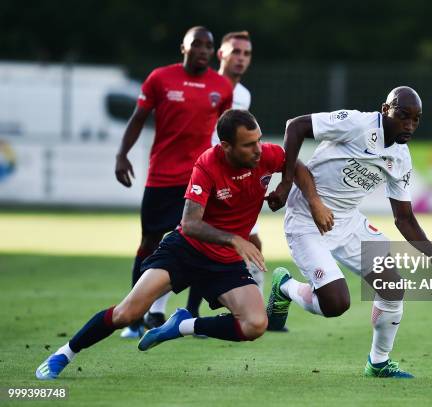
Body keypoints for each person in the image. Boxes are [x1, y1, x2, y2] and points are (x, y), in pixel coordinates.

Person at [36, 109, 316, 381]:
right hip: (185, 250)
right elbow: (191, 223)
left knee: (256, 325)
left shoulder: (266, 154)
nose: (258, 149)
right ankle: (64, 353)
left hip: (225, 260)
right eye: (248, 145)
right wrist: (233, 239)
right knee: (127, 313)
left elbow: (298, 166)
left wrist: (293, 189)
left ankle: (180, 326)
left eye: (258, 140)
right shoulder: (207, 164)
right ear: (226, 146)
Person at [266, 87, 432, 378]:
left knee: (393, 288)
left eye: (416, 119)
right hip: (306, 219)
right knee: (336, 304)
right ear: (385, 109)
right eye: (403, 116)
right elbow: (296, 126)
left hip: (348, 223)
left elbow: (404, 218)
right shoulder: (356, 123)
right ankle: (284, 287)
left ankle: (378, 362)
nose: (409, 125)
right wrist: (286, 183)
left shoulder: (400, 157)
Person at [114, 26, 233, 338]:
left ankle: (191, 316)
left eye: (209, 46)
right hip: (162, 178)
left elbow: (226, 134)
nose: (204, 51)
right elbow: (138, 118)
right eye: (198, 45)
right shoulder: (160, 78)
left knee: (203, 244)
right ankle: (134, 318)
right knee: (149, 243)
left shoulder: (222, 87)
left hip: (199, 179)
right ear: (184, 47)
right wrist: (122, 155)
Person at [186, 31, 264, 318]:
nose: (241, 59)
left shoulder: (243, 95)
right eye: (236, 52)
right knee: (185, 242)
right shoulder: (205, 85)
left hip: (232, 180)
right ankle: (161, 311)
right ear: (221, 54)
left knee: (250, 240)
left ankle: (255, 305)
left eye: (247, 54)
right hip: (203, 174)